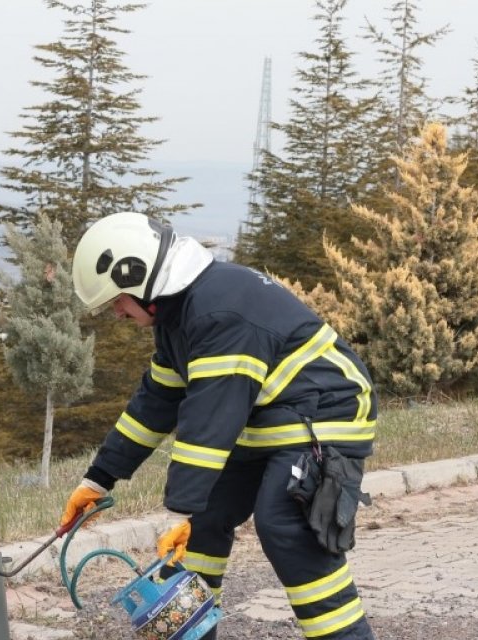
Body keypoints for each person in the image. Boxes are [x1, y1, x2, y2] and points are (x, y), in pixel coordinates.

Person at [61, 211, 377, 640]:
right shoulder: (180, 316)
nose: (116, 312)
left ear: (139, 277)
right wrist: (97, 481)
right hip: (272, 423)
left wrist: (179, 511)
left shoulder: (216, 314)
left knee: (283, 521)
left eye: (117, 299)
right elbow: (155, 403)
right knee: (204, 523)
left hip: (327, 418)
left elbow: (208, 423)